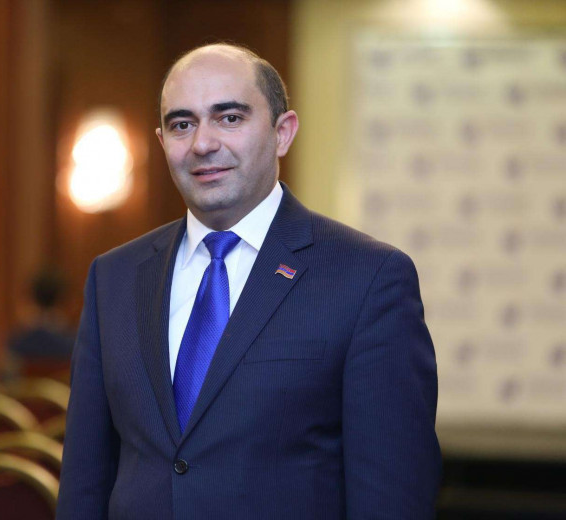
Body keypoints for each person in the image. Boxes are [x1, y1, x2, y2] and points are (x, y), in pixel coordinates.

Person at [57, 43, 441, 519]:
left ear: (283, 133)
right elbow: (85, 482)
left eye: (230, 118)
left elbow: (391, 497)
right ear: (162, 142)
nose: (202, 143)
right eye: (182, 124)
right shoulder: (113, 277)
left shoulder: (368, 279)